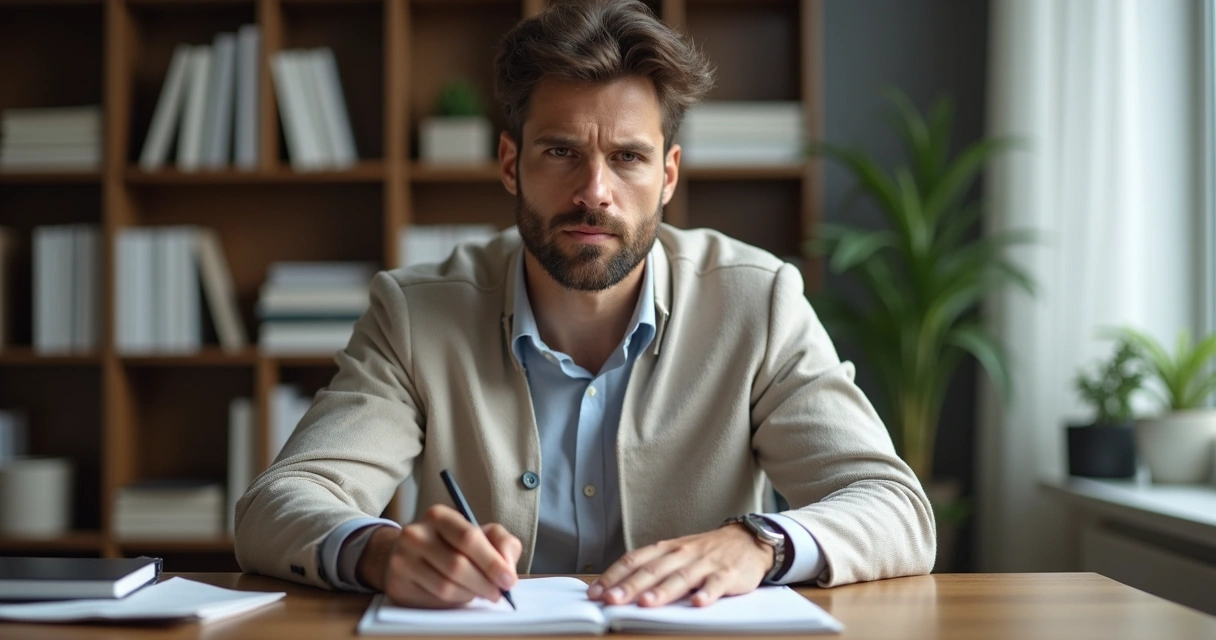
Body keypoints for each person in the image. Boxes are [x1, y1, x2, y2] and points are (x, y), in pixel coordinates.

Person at [235, 0, 934, 610]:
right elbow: (275, 507)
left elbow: (897, 509)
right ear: (511, 163)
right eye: (561, 151)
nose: (594, 191)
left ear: (668, 175)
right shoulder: (415, 314)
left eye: (627, 158)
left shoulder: (760, 301)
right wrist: (380, 553)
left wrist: (759, 544)